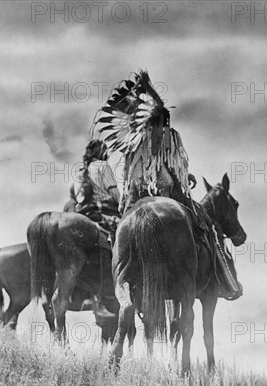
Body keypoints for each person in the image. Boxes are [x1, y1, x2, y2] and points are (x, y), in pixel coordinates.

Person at [92, 70, 238, 299]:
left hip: (136, 196)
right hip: (169, 192)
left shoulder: (135, 139)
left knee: (119, 235)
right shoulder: (171, 136)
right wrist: (186, 180)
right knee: (207, 228)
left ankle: (118, 285)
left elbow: (131, 176)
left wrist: (148, 88)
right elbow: (176, 170)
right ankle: (226, 282)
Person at [67, 139, 121, 317]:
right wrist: (123, 204)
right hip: (105, 211)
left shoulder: (81, 171)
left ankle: (83, 294)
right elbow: (114, 193)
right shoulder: (102, 166)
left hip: (83, 214)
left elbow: (75, 197)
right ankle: (112, 291)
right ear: (102, 152)